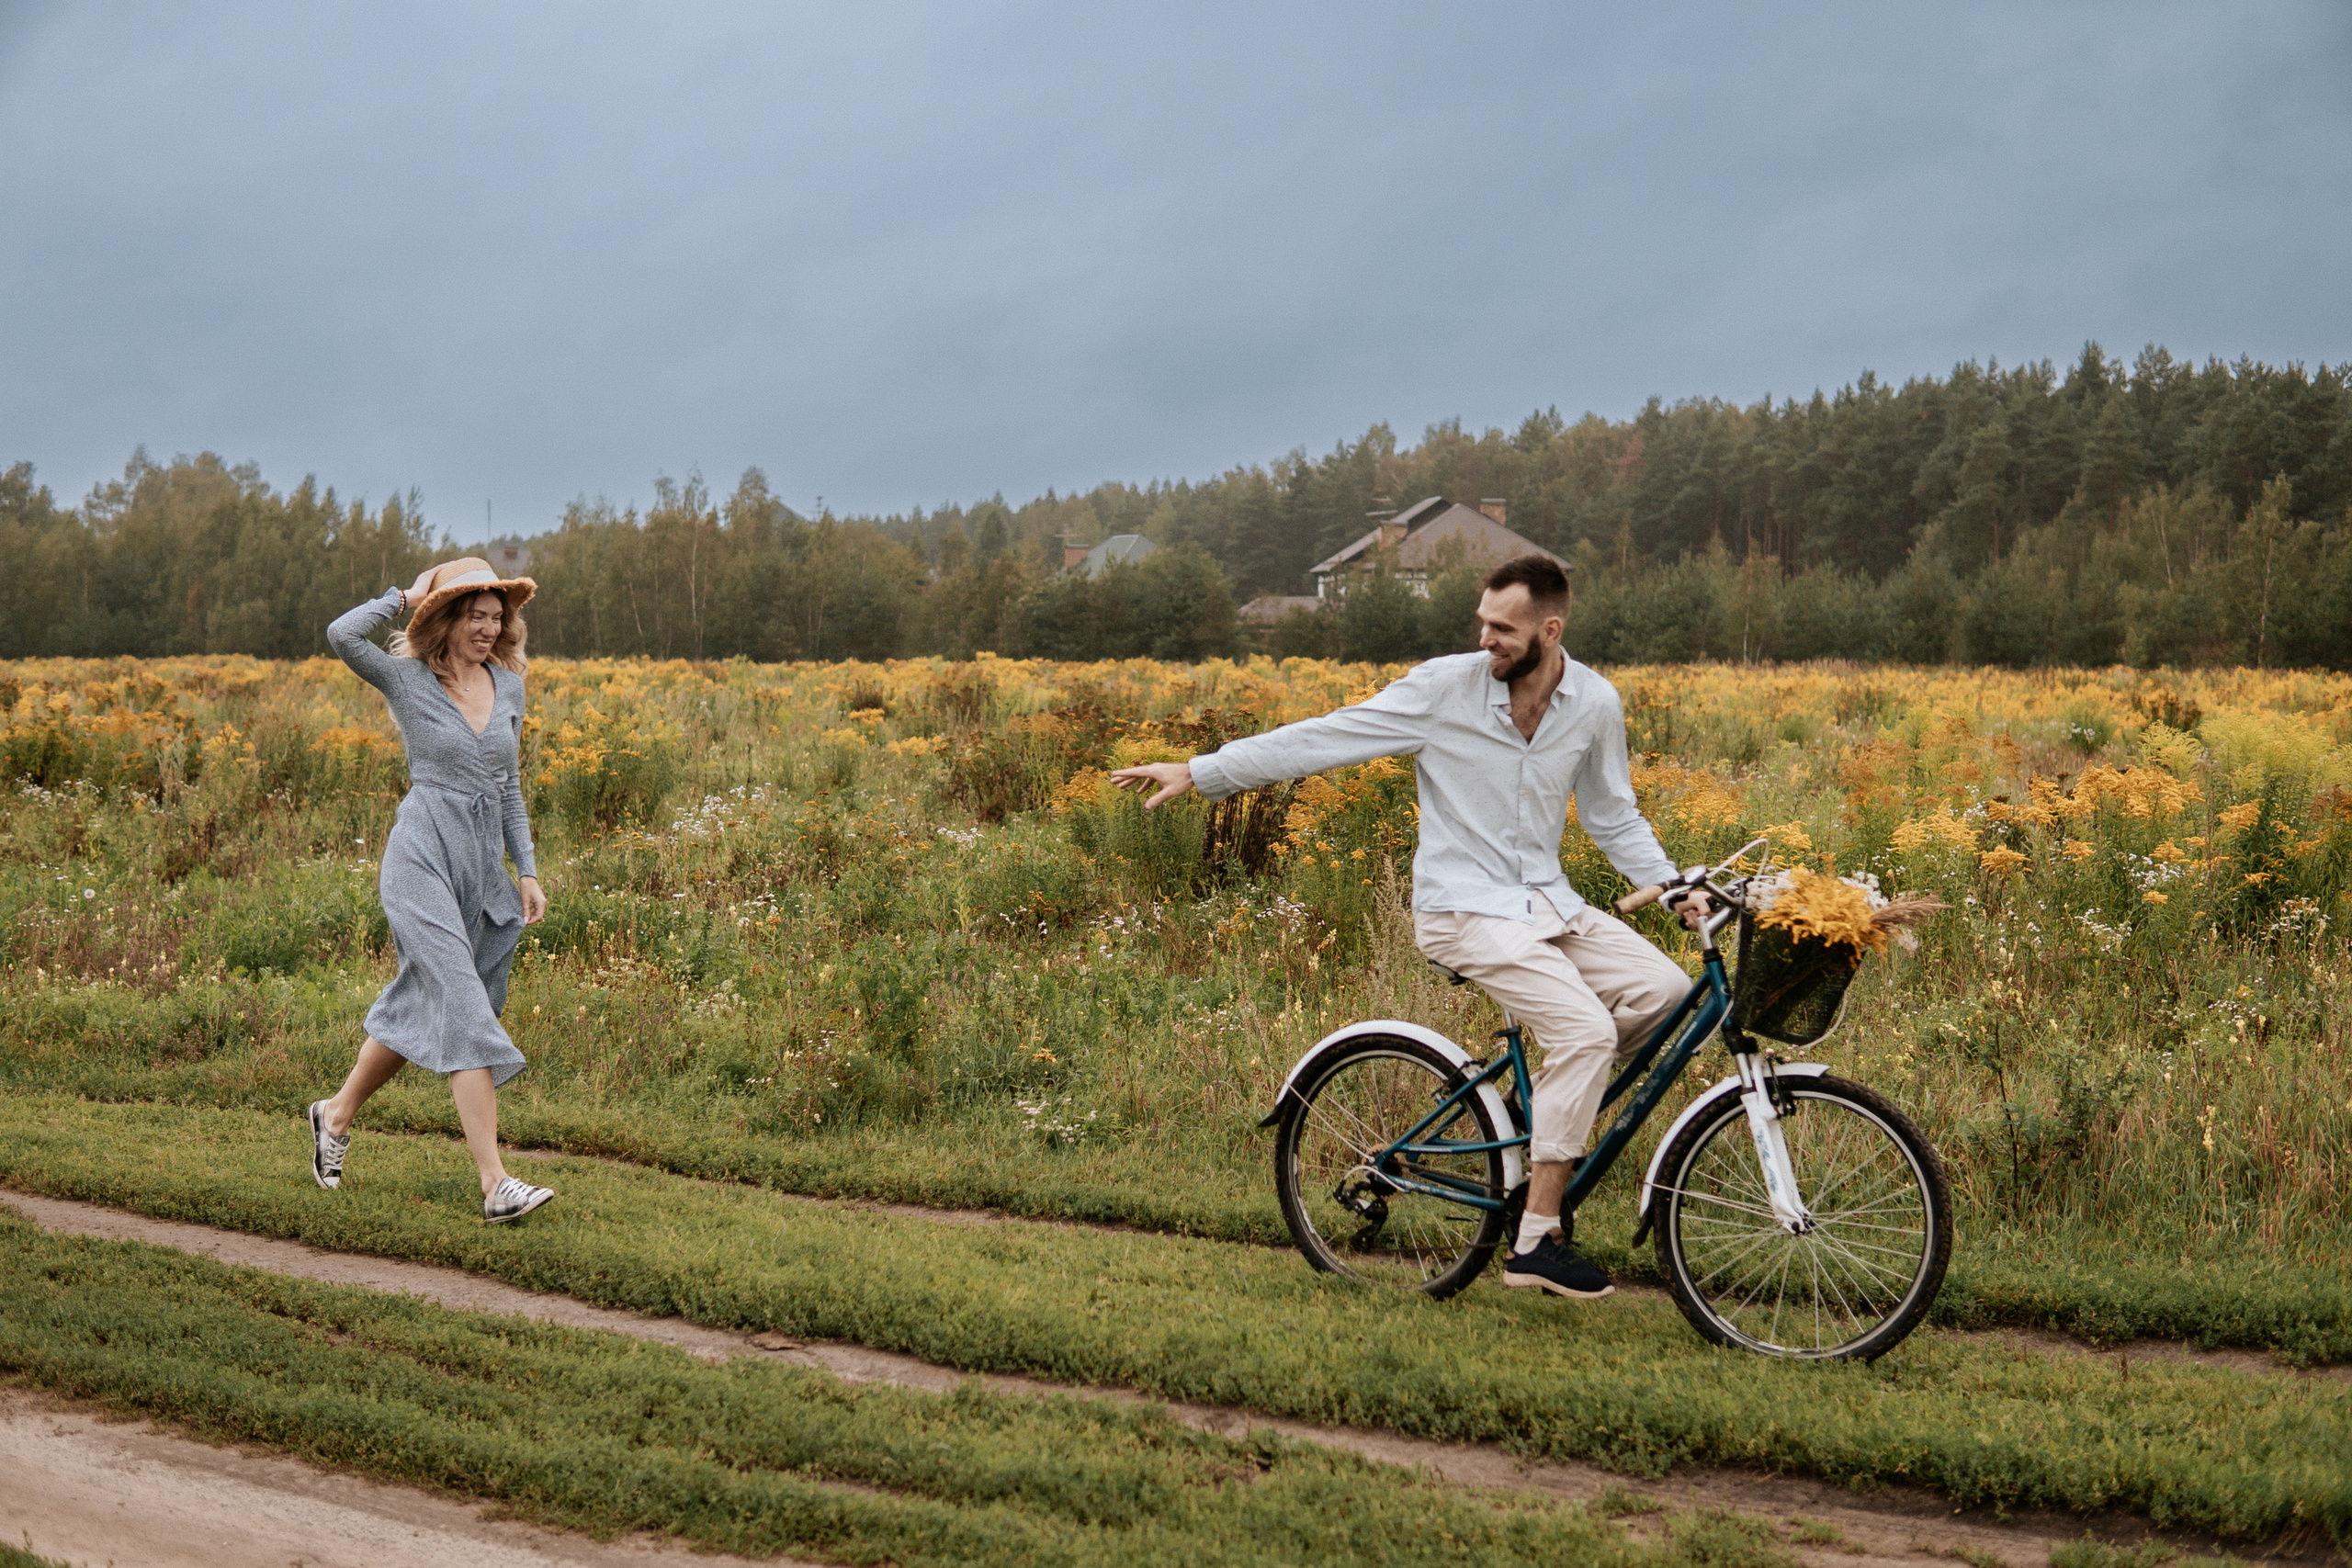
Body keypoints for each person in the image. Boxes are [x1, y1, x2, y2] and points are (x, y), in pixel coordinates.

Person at [1110, 554, 1704, 1300]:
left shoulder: (1594, 704)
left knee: (1671, 990)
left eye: (1503, 628)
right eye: (1482, 622)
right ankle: (1535, 1239)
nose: (1485, 637)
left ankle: (1544, 1112)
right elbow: (1326, 736)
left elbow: (1614, 814)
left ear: (1550, 631)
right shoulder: (1442, 689)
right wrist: (1202, 771)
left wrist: (1675, 883)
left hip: (1548, 903)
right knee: (1585, 1031)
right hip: (1463, 908)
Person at [311, 558, 557, 1224]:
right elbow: (341, 634)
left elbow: (508, 788)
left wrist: (526, 869)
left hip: (477, 869)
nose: (489, 627)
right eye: (475, 615)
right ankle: (495, 1182)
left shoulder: (507, 686)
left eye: (496, 616)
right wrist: (401, 595)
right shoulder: (407, 678)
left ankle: (334, 1114)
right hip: (420, 858)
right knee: (463, 1002)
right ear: (446, 619)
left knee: (427, 1000)